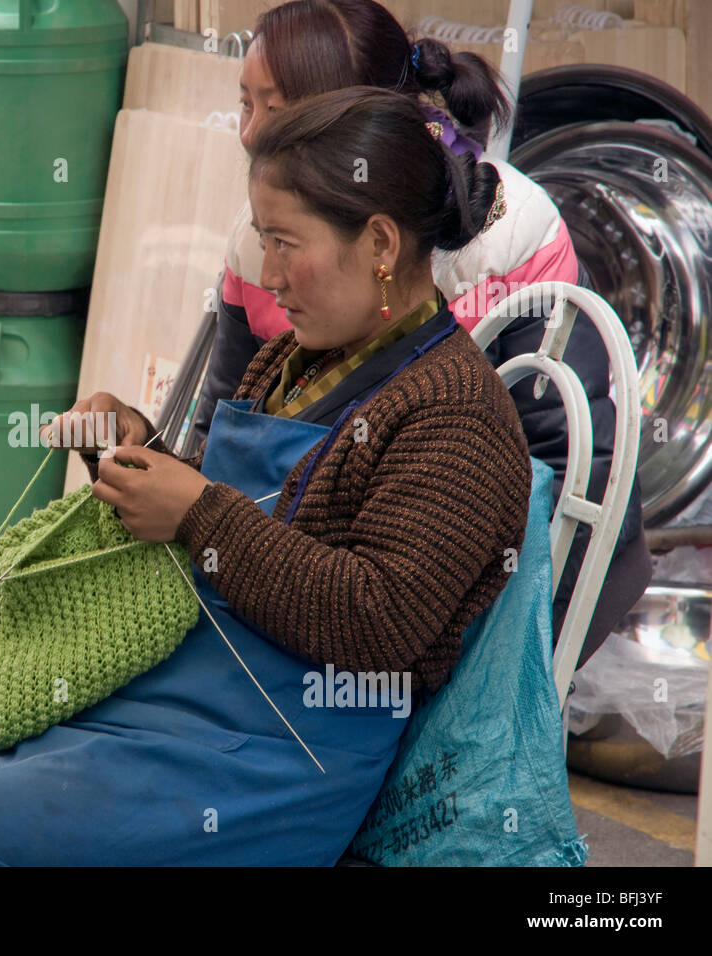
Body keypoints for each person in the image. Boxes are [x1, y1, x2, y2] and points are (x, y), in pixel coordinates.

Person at [0, 88, 536, 866]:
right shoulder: (288, 362)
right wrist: (133, 455)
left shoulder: (455, 414)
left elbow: (379, 622)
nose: (266, 275)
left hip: (272, 760)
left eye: (284, 242)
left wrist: (197, 512)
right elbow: (235, 509)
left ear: (378, 242)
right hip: (173, 703)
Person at [191, 0, 647, 666]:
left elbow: (574, 473)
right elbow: (223, 443)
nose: (252, 136)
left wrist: (490, 672)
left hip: (442, 606)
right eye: (246, 105)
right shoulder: (265, 248)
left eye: (282, 111)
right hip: (304, 610)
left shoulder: (503, 246)